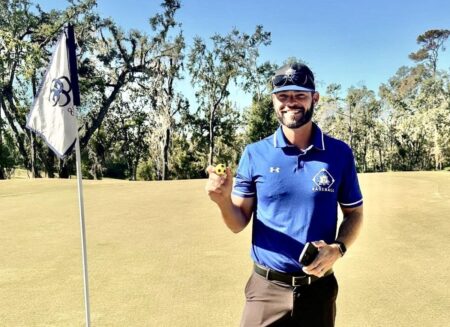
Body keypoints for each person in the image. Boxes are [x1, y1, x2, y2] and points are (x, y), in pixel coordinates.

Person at [205, 62, 363, 327]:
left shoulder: (339, 154)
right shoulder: (255, 153)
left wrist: (339, 248)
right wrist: (222, 201)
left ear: (315, 98)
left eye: (300, 95)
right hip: (265, 290)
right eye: (283, 96)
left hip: (318, 290)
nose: (291, 103)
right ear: (274, 101)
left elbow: (354, 214)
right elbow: (237, 222)